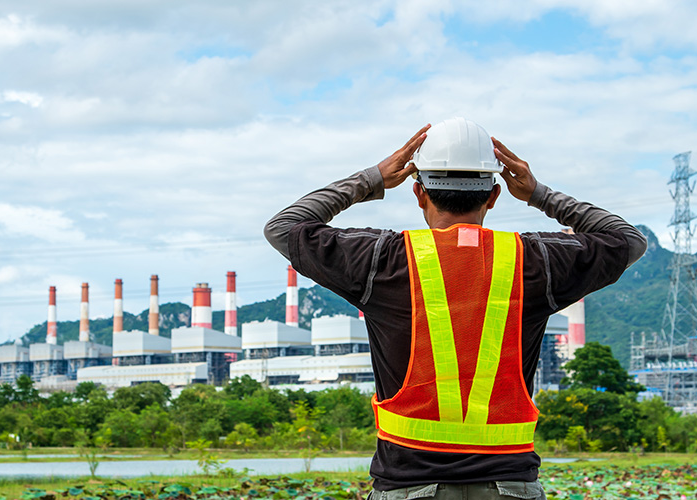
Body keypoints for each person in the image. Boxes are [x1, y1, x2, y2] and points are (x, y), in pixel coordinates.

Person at [263, 118, 647, 500]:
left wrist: (373, 178)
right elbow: (626, 241)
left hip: (407, 486)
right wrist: (538, 194)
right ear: (494, 195)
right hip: (512, 486)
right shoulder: (534, 261)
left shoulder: (382, 260)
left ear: (418, 193)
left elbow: (284, 227)